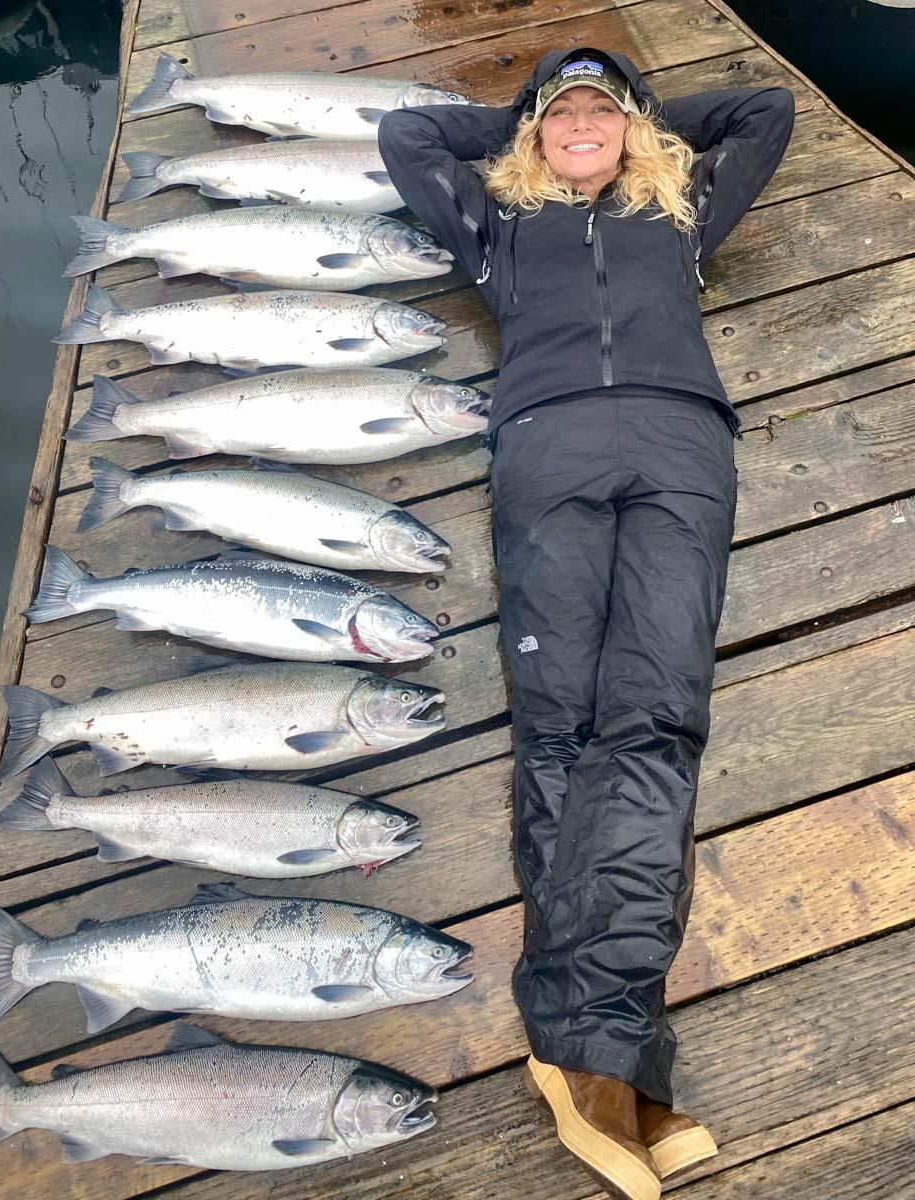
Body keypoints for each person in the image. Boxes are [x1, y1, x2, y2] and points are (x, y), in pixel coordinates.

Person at [378, 46, 794, 1200]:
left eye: (597, 112)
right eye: (559, 112)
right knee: (559, 724)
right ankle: (610, 1054)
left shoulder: (680, 211)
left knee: (655, 715)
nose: (578, 122)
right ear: (530, 131)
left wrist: (631, 112)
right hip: (546, 444)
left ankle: (594, 1046)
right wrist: (533, 116)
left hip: (677, 445)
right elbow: (409, 134)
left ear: (634, 131)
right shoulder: (496, 224)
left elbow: (763, 107)